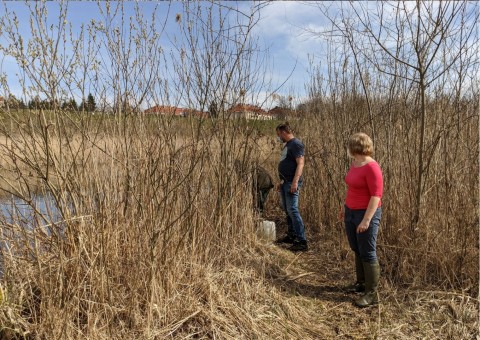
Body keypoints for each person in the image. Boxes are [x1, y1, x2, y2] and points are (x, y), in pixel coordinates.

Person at [341, 132, 383, 308]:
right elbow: (352, 188)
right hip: (350, 211)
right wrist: (344, 208)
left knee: (367, 251)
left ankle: (371, 294)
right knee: (356, 248)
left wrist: (366, 220)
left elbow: (376, 196)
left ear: (354, 147)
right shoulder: (355, 163)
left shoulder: (372, 167)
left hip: (365, 214)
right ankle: (361, 284)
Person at [275, 122, 308, 252]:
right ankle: (292, 235)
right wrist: (281, 181)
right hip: (285, 182)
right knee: (287, 209)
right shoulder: (288, 145)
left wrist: (295, 182)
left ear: (283, 132)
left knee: (293, 210)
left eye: (278, 134)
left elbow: (300, 164)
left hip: (291, 182)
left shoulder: (296, 144)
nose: (278, 137)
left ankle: (302, 241)